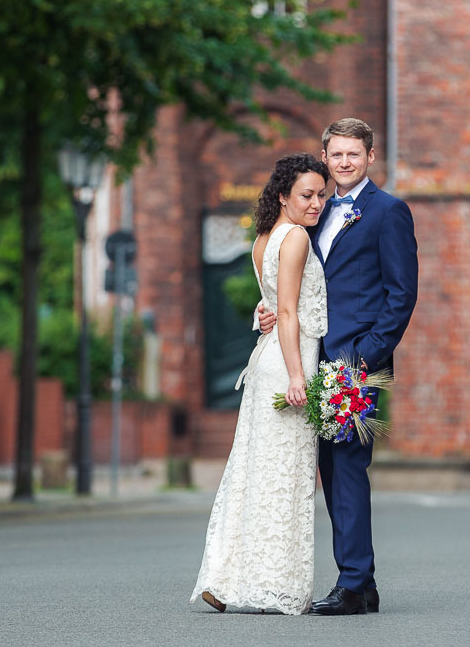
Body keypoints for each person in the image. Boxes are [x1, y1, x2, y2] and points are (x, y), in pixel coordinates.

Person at [258, 118, 418, 615]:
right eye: (336, 155)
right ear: (324, 157)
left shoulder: (389, 212)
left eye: (354, 154)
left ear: (370, 157)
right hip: (310, 356)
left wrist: (364, 358)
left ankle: (353, 584)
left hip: (356, 364)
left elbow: (401, 295)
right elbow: (296, 284)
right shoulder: (315, 211)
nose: (344, 162)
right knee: (329, 469)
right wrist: (265, 309)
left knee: (348, 468)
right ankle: (360, 581)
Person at [191, 153, 330, 615]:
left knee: (253, 474)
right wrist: (297, 376)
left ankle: (224, 577)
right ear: (283, 196)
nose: (316, 204)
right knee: (286, 478)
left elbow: (269, 305)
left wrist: (265, 318)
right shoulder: (297, 241)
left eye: (321, 195)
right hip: (288, 362)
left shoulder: (264, 239)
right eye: (307, 195)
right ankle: (276, 585)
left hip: (266, 358)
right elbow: (287, 311)